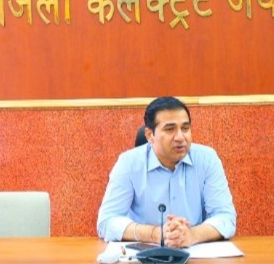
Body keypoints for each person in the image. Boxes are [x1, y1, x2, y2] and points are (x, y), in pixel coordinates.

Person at [97, 96, 237, 246]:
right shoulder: (129, 163)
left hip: (194, 254)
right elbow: (106, 221)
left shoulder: (207, 159)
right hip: (144, 255)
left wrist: (191, 235)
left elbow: (226, 217)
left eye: (185, 128)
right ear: (150, 135)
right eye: (170, 129)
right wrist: (154, 234)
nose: (180, 137)